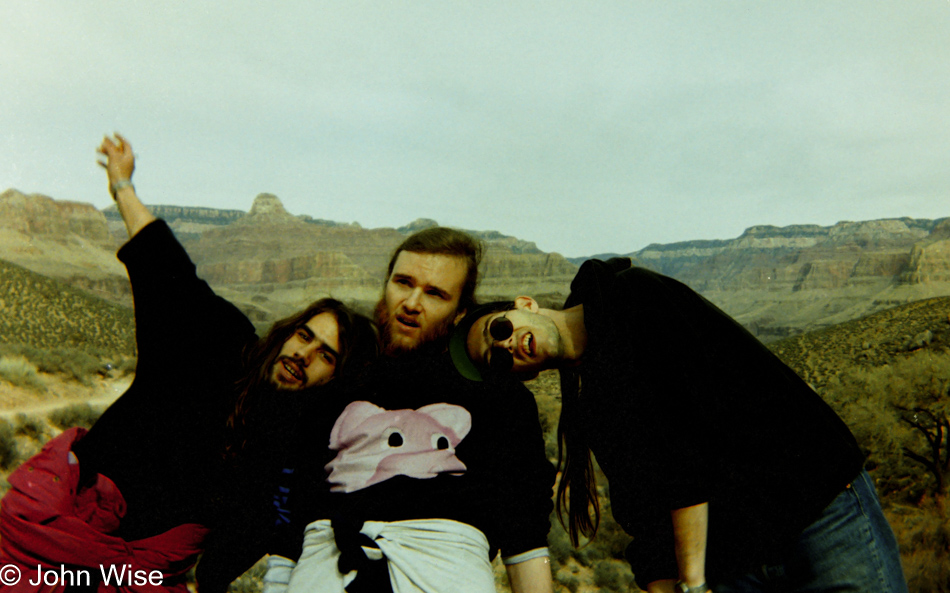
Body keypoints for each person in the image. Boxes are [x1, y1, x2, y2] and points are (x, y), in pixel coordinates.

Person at [0, 135, 378, 593]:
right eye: (304, 336)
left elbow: (258, 529)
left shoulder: (297, 444)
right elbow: (167, 268)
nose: (303, 355)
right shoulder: (223, 341)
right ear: (287, 332)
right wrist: (123, 186)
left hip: (146, 569)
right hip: (64, 525)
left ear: (337, 377)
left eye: (326, 355)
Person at [450, 257, 909, 593]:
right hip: (735, 560)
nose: (508, 347)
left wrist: (690, 583)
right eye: (497, 360)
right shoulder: (590, 399)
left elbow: (682, 450)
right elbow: (641, 510)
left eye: (499, 330)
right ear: (520, 376)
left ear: (524, 304)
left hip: (818, 516)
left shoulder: (633, 296)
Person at [263, 227, 556, 593]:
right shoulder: (342, 382)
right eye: (403, 283)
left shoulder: (500, 399)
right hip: (327, 567)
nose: (412, 303)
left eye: (434, 293)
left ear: (459, 311)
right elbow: (295, 508)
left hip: (443, 571)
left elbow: (525, 535)